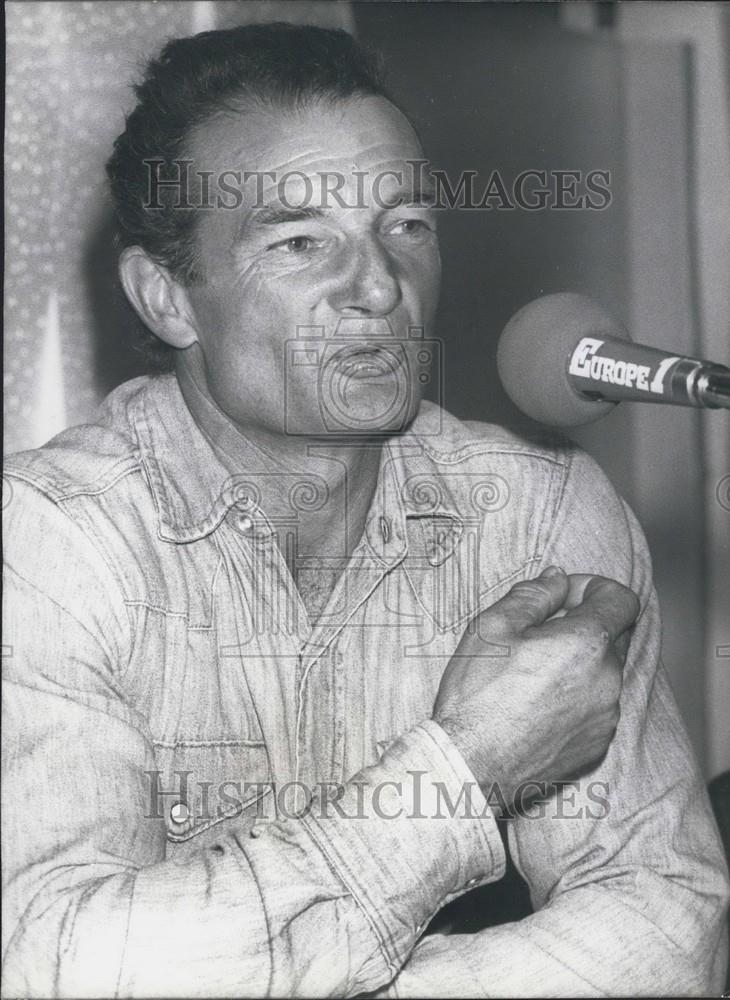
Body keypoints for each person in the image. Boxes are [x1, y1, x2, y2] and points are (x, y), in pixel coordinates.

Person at [2, 22, 727, 998]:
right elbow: (59, 966)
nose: (381, 287)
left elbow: (666, 928)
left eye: (407, 226)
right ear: (168, 297)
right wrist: (465, 770)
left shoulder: (535, 517)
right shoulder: (50, 543)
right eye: (302, 241)